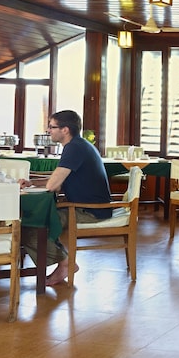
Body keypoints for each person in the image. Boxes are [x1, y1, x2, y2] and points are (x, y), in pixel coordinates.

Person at [19, 110, 112, 286]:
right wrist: (31, 183)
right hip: (84, 206)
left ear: (65, 130)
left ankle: (65, 263)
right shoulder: (78, 145)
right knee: (38, 222)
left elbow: (53, 186)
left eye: (51, 127)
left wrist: (40, 184)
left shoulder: (74, 148)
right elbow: (58, 182)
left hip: (89, 211)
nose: (48, 130)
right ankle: (64, 262)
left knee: (31, 228)